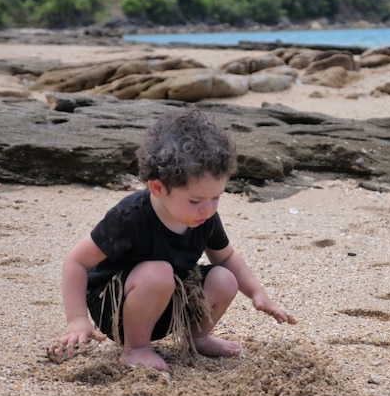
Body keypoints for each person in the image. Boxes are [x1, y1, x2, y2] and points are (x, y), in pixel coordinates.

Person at [48, 106, 295, 371]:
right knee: (158, 272)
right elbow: (76, 262)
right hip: (117, 308)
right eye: (196, 200)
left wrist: (258, 293)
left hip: (168, 306)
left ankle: (197, 337)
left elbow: (227, 257)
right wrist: (77, 319)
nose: (209, 208)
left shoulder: (204, 216)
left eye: (216, 197)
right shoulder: (129, 217)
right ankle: (136, 348)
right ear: (158, 187)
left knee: (225, 278)